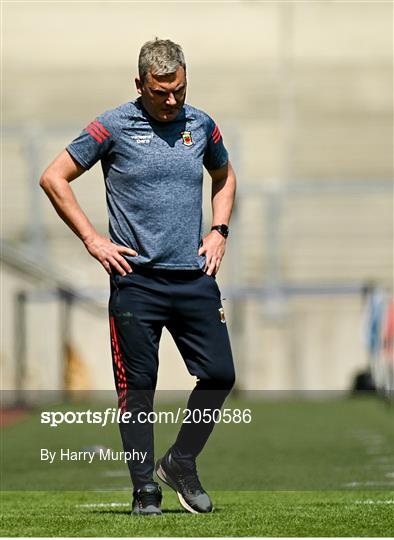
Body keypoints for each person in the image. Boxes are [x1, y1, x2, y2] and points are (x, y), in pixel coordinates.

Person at [40, 38, 236, 515]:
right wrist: (93, 240)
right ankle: (144, 488)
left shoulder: (202, 124)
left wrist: (219, 230)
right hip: (136, 283)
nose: (171, 101)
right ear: (139, 85)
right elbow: (53, 176)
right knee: (138, 391)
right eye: (160, 92)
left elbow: (225, 176)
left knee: (219, 374)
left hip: (193, 278)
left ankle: (182, 462)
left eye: (179, 91)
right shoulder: (112, 126)